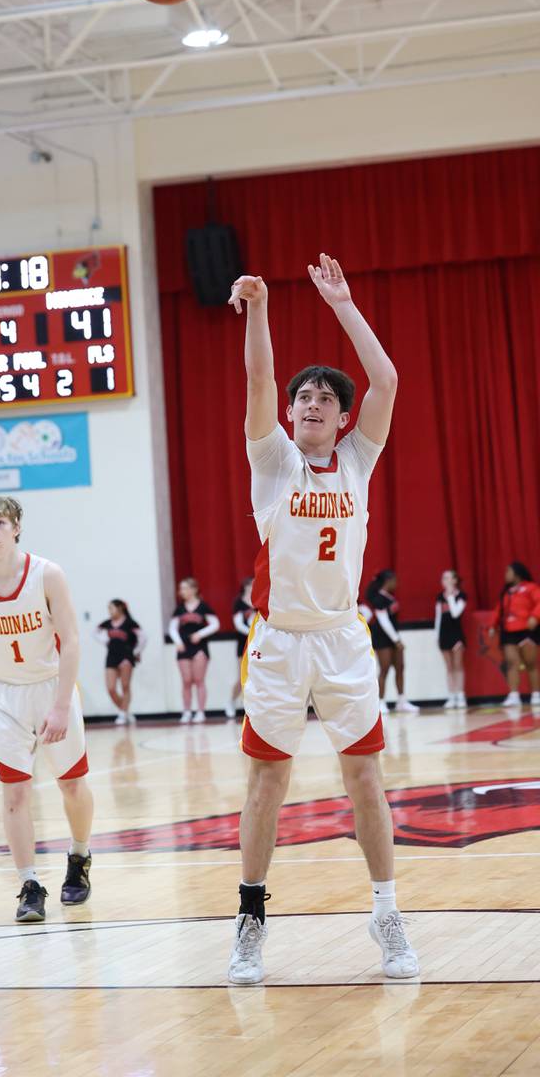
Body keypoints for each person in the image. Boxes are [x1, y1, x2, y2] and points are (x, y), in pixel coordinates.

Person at [225, 253, 418, 985]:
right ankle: (250, 920)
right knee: (265, 784)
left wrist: (341, 303)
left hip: (342, 639)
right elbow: (258, 382)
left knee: (365, 780)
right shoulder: (273, 461)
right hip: (278, 642)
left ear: (340, 418)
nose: (307, 402)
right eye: (301, 396)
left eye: (322, 398)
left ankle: (387, 913)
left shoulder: (358, 460)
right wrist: (264, 311)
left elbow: (388, 381)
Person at [0, 495, 93, 924]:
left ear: (16, 527)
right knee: (14, 792)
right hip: (4, 695)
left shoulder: (48, 574)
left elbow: (70, 641)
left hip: (52, 687)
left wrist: (62, 704)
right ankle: (29, 884)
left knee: (71, 785)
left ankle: (79, 855)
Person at [365, 571, 419, 714]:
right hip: (382, 638)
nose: (396, 583)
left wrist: (397, 639)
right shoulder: (378, 599)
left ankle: (402, 701)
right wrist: (397, 640)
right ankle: (380, 702)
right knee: (384, 669)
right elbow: (384, 621)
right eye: (394, 580)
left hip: (394, 637)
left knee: (400, 667)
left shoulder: (390, 597)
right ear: (387, 581)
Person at [488, 562, 540, 708]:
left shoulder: (531, 588)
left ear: (517, 573)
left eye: (508, 571)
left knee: (530, 663)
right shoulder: (506, 592)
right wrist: (493, 625)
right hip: (509, 631)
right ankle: (514, 695)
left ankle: (536, 695)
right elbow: (499, 610)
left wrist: (535, 617)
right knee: (511, 662)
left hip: (526, 630)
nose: (505, 575)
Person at [169, 578, 220, 723]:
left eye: (184, 588)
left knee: (199, 680)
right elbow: (172, 628)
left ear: (194, 589)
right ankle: (186, 711)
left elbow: (215, 624)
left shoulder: (203, 606)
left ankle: (200, 712)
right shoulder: (179, 608)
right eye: (181, 589)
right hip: (183, 647)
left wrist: (200, 634)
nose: (182, 592)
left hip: (199, 647)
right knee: (186, 681)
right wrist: (178, 642)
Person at [94, 600, 147, 725]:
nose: (109, 611)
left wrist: (135, 652)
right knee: (111, 688)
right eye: (108, 609)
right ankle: (125, 712)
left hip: (126, 657)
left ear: (120, 608)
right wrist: (105, 641)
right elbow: (94, 632)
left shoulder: (130, 623)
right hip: (112, 656)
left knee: (125, 686)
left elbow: (143, 638)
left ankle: (122, 714)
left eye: (111, 608)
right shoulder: (107, 623)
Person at [435, 570, 467, 709]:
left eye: (448, 578)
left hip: (456, 634)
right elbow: (438, 617)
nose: (445, 580)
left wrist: (450, 596)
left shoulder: (461, 596)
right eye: (444, 578)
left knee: (458, 665)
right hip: (444, 634)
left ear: (455, 580)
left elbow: (455, 613)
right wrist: (436, 636)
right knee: (448, 667)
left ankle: (460, 695)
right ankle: (451, 696)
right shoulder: (439, 597)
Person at [227, 578, 254, 718]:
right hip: (244, 643)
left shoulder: (260, 599)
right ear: (245, 586)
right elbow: (238, 625)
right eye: (251, 584)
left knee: (257, 677)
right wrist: (252, 633)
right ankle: (231, 702)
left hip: (259, 644)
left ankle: (253, 706)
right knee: (243, 676)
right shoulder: (239, 603)